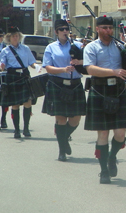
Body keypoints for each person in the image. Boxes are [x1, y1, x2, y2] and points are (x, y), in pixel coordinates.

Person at [83, 15, 126, 184]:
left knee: (120, 134)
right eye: (104, 28)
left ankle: (112, 157)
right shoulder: (91, 47)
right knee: (103, 133)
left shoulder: (121, 45)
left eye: (110, 28)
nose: (108, 31)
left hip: (118, 90)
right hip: (99, 89)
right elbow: (90, 69)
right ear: (97, 29)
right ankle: (103, 171)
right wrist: (114, 71)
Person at [42, 19, 86, 161]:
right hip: (57, 84)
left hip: (75, 84)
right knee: (61, 118)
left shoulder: (77, 45)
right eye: (61, 29)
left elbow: (90, 60)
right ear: (56, 32)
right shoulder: (51, 47)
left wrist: (80, 61)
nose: (65, 31)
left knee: (75, 119)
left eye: (66, 29)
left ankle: (64, 138)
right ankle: (62, 150)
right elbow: (48, 67)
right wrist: (63, 69)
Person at [0, 26, 38, 139]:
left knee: (28, 102)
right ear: (9, 38)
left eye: (17, 36)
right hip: (12, 77)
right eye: (13, 36)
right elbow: (1, 65)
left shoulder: (25, 48)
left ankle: (26, 128)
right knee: (15, 104)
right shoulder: (5, 50)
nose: (15, 38)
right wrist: (1, 66)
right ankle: (16, 130)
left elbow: (31, 62)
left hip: (24, 75)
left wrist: (36, 66)